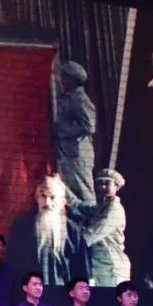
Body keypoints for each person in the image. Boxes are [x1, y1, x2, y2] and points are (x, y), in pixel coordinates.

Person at [7, 174, 91, 286]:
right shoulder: (22, 226)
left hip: (62, 293)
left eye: (52, 197)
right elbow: (12, 262)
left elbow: (82, 272)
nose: (47, 203)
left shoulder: (73, 232)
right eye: (43, 196)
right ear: (37, 198)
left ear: (62, 201)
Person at [69, 169, 131, 287]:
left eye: (107, 183)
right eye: (100, 183)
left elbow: (89, 235)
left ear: (116, 186)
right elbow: (79, 206)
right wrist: (61, 187)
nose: (103, 187)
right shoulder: (101, 208)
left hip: (111, 266)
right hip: (99, 265)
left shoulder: (114, 210)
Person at [54, 61, 97, 205]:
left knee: (84, 191)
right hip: (69, 153)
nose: (62, 81)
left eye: (64, 77)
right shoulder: (68, 97)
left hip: (78, 154)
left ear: (72, 79)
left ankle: (90, 215)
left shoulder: (79, 98)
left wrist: (62, 130)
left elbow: (89, 125)